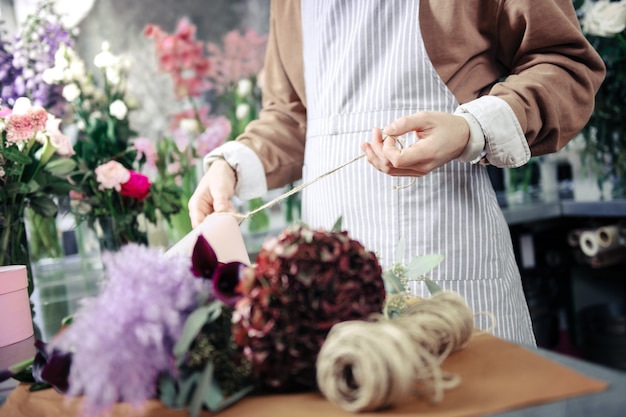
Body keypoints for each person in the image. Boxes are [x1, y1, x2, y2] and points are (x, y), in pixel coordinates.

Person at [188, 0, 605, 347]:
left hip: (448, 263)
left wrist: (468, 129)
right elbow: (292, 116)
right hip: (326, 280)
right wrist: (232, 164)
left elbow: (566, 64)